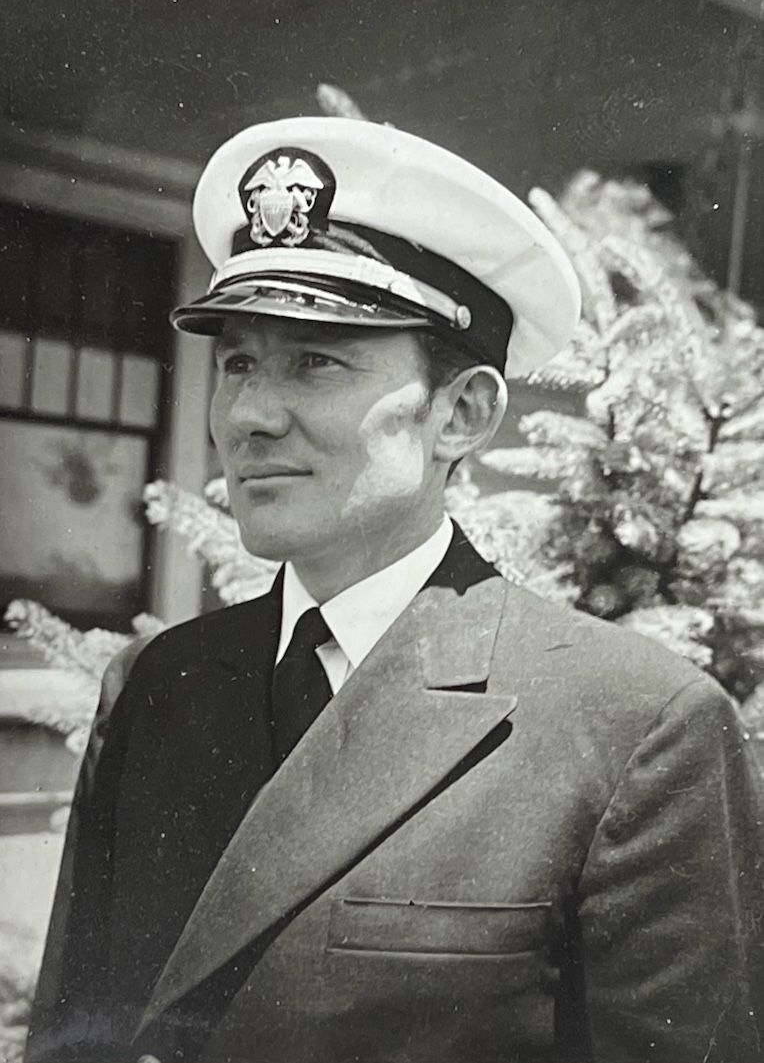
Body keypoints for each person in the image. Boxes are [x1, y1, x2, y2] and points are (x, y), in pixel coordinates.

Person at [26, 117, 764, 1063]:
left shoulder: (634, 729)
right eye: (239, 361)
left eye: (316, 360)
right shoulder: (156, 683)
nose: (248, 415)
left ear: (464, 413)